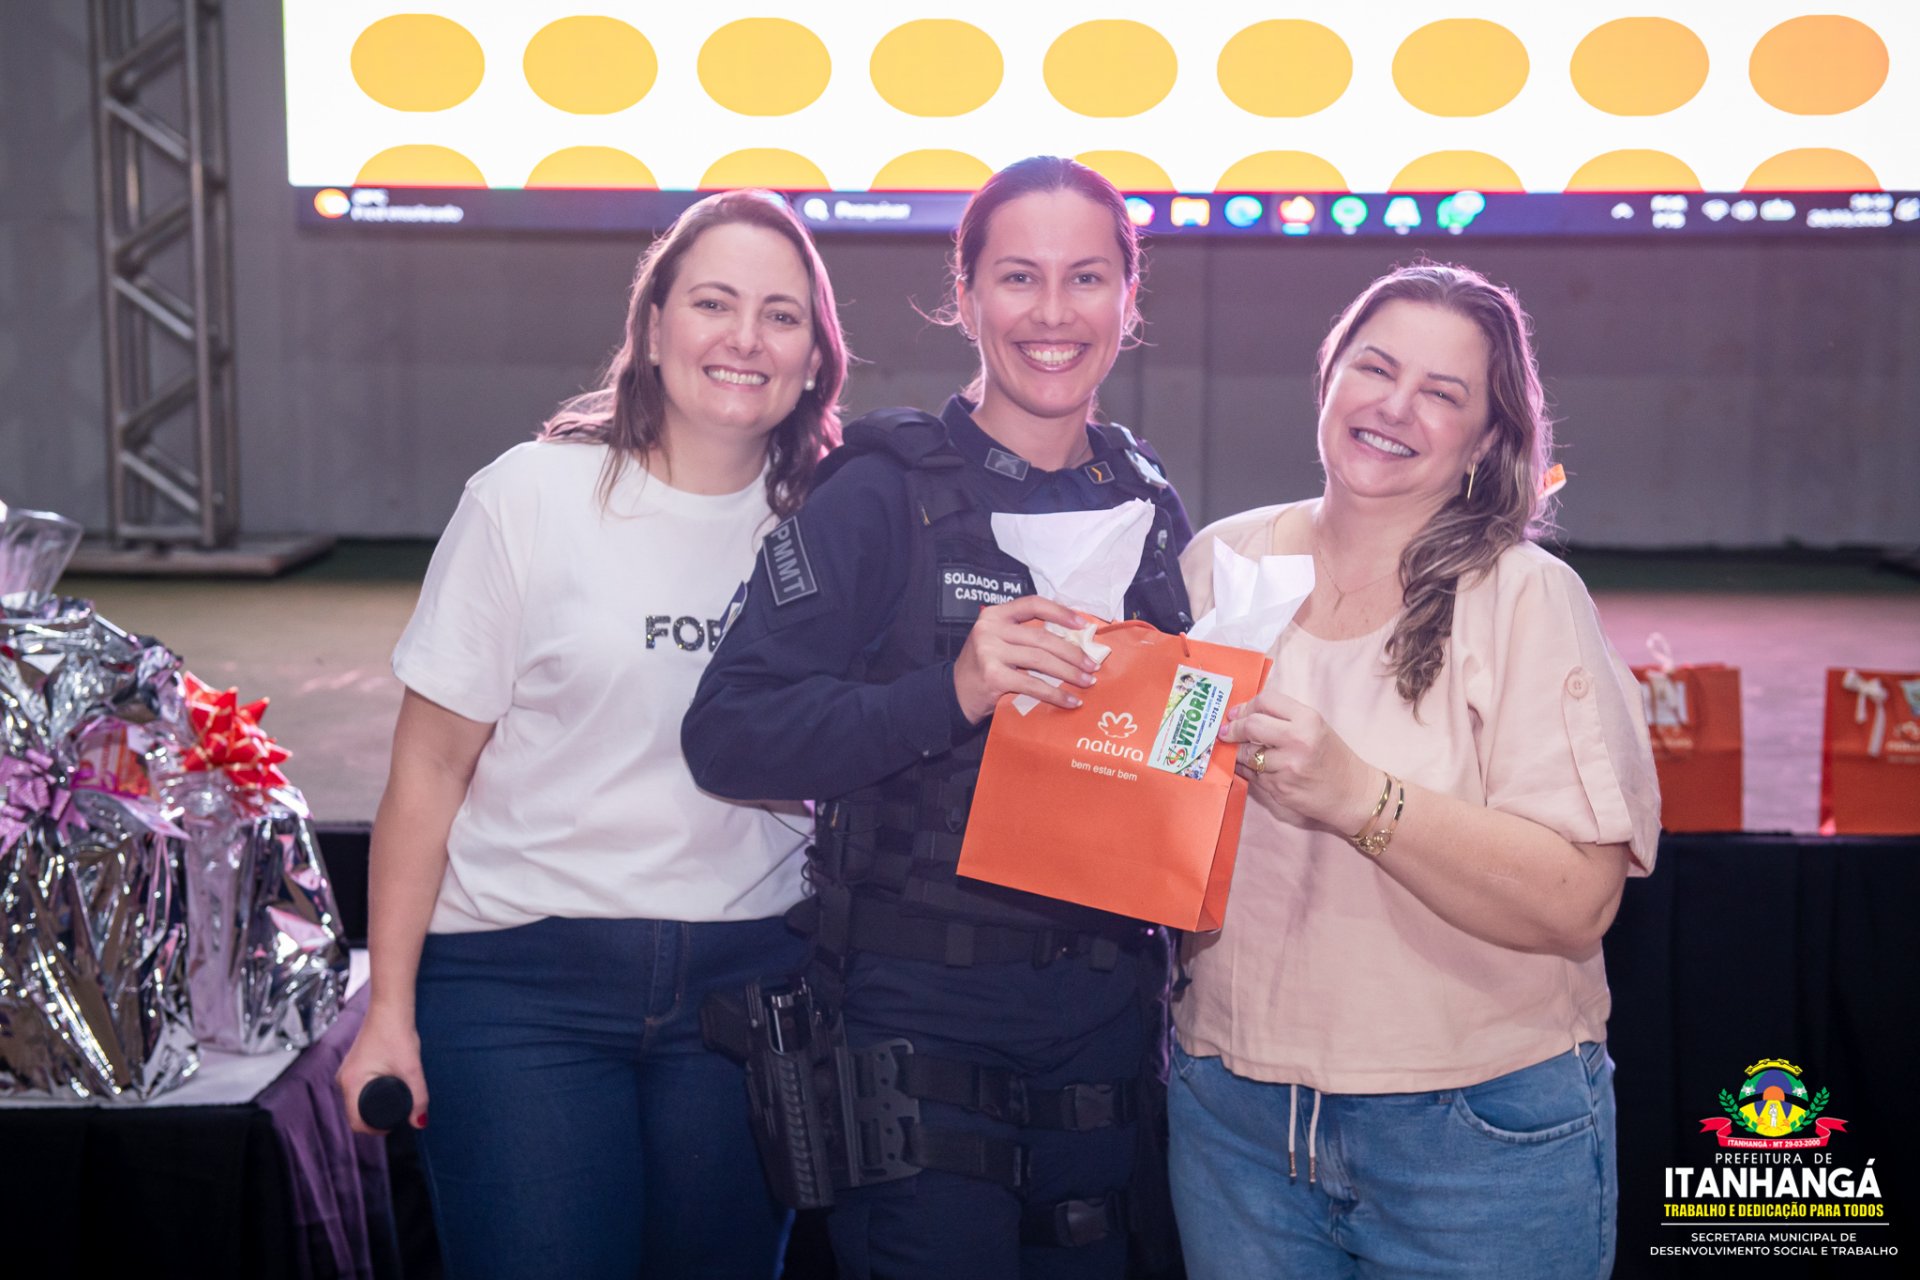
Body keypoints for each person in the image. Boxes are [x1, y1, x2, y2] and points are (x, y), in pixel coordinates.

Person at [683, 156, 1193, 1279]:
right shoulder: (881, 492)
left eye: (1086, 278)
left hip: (1104, 1034)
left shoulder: (1147, 500)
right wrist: (951, 692)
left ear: (1128, 298)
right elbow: (729, 732)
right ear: (963, 297)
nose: (1053, 313)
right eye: (1017, 277)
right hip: (917, 1036)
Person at [334, 189, 849, 1280]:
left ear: (814, 360)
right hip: (519, 990)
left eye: (781, 315)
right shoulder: (530, 498)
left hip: (747, 989)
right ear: (653, 327)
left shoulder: (837, 528)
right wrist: (388, 1011)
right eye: (713, 303)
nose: (745, 338)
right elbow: (427, 768)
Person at [1166, 262, 1660, 1279]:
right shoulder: (1219, 562)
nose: (1395, 407)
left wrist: (1360, 797)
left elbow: (1580, 902)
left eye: (1442, 392)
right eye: (1375, 368)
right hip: (1233, 1118)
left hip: (1474, 1133)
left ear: (1484, 440)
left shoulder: (1525, 596)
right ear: (1328, 377)